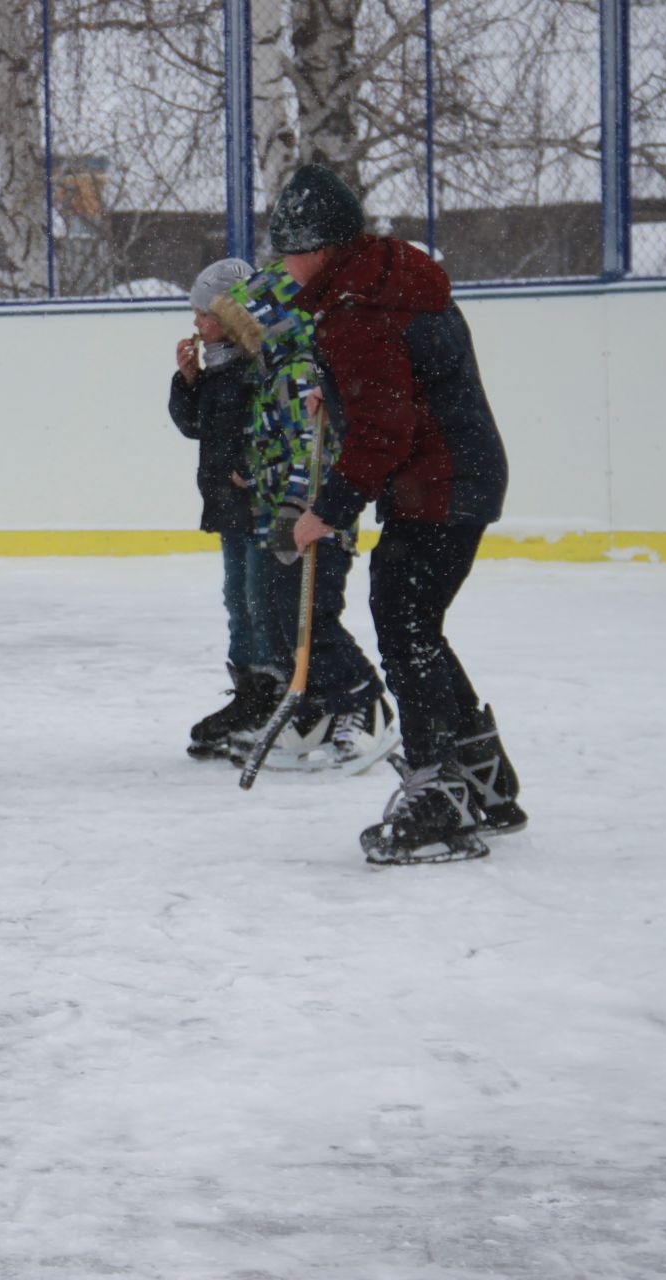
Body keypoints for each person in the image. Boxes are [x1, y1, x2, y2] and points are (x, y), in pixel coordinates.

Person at [268, 162, 523, 864]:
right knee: (418, 624)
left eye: (287, 250)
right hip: (461, 474)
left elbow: (388, 428)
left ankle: (437, 795)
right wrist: (341, 396)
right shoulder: (391, 276)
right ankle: (483, 778)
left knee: (404, 622)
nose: (283, 266)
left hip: (434, 485)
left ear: (317, 247)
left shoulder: (352, 308)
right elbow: (402, 381)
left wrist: (329, 509)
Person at [210, 260, 396, 773]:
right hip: (279, 516)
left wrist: (300, 507)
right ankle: (313, 710)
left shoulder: (301, 372)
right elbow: (274, 442)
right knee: (278, 614)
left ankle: (364, 702)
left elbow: (312, 450)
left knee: (308, 615)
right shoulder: (273, 370)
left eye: (244, 323)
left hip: (311, 520)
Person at [167, 255, 286, 761]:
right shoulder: (217, 368)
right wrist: (187, 382)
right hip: (228, 507)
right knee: (238, 598)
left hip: (255, 505)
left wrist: (247, 467)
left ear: (231, 316)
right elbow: (195, 426)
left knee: (260, 600)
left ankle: (271, 694)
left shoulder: (257, 368)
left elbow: (267, 430)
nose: (195, 324)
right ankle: (248, 692)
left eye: (203, 315)